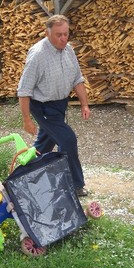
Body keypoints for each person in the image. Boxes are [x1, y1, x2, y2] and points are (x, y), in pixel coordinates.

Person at [17, 14, 90, 197]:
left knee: (43, 145)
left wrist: (85, 105)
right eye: (59, 35)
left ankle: (25, 177)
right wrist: (27, 119)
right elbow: (24, 90)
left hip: (59, 104)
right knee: (67, 139)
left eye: (66, 34)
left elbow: (77, 79)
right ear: (47, 33)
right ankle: (74, 185)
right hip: (42, 106)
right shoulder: (38, 54)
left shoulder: (69, 50)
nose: (63, 38)